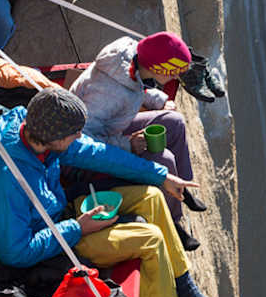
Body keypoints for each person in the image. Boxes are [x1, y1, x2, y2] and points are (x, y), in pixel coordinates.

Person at [0, 87, 238, 297]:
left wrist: (160, 176)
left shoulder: (33, 130)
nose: (79, 135)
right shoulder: (6, 181)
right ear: (54, 137)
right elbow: (15, 253)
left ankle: (187, 292)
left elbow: (95, 152)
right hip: (53, 249)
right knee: (150, 238)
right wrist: (78, 227)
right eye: (74, 133)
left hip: (58, 214)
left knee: (151, 196)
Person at [69, 32, 207, 250]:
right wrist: (127, 145)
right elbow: (79, 140)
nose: (174, 77)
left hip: (111, 127)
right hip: (84, 157)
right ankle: (172, 221)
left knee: (174, 121)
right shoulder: (107, 93)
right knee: (163, 159)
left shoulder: (131, 57)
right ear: (160, 68)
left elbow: (134, 85)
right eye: (173, 72)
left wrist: (159, 100)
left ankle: (183, 187)